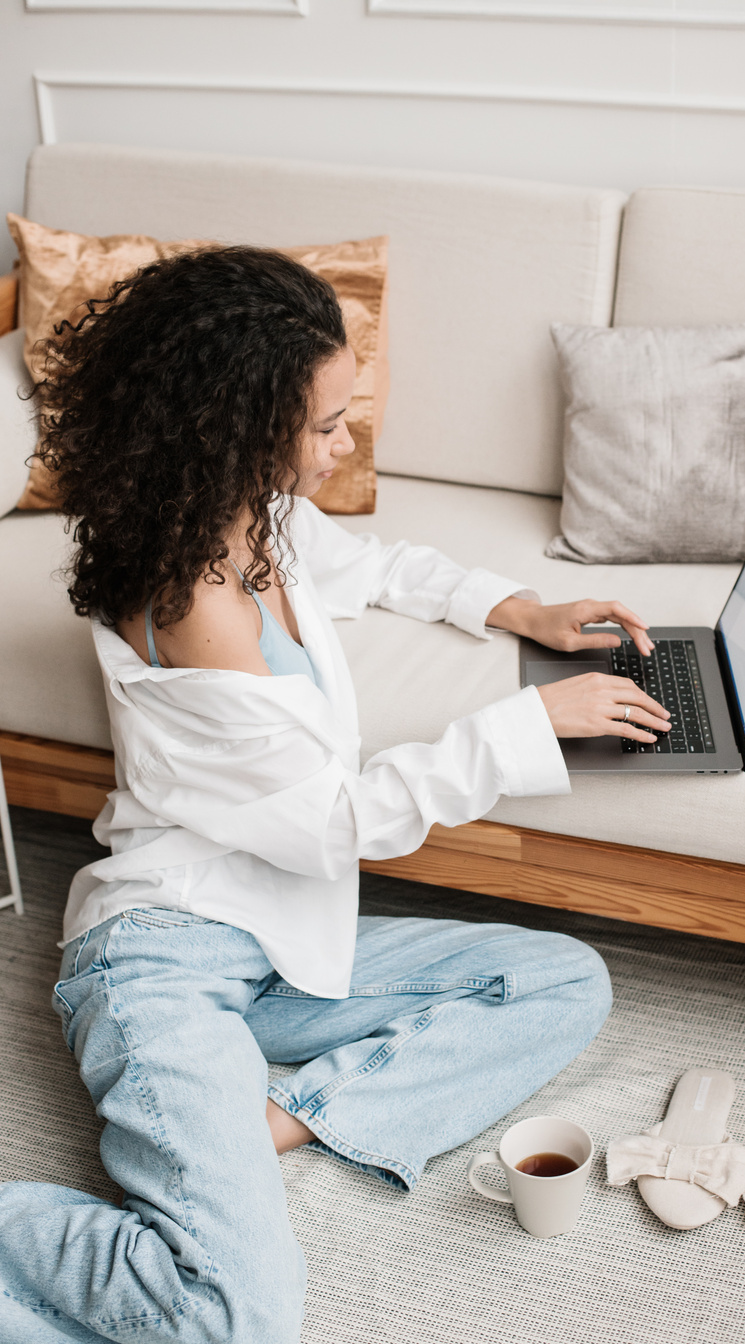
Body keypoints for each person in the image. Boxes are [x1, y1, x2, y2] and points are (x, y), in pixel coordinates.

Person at [0, 246, 670, 1343]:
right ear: (234, 424)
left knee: (561, 980)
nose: (345, 442)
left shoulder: (253, 516)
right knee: (233, 1323)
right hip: (165, 955)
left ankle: (264, 1125)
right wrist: (525, 725)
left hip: (286, 936)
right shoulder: (192, 601)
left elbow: (383, 564)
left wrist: (518, 607)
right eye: (324, 425)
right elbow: (334, 822)